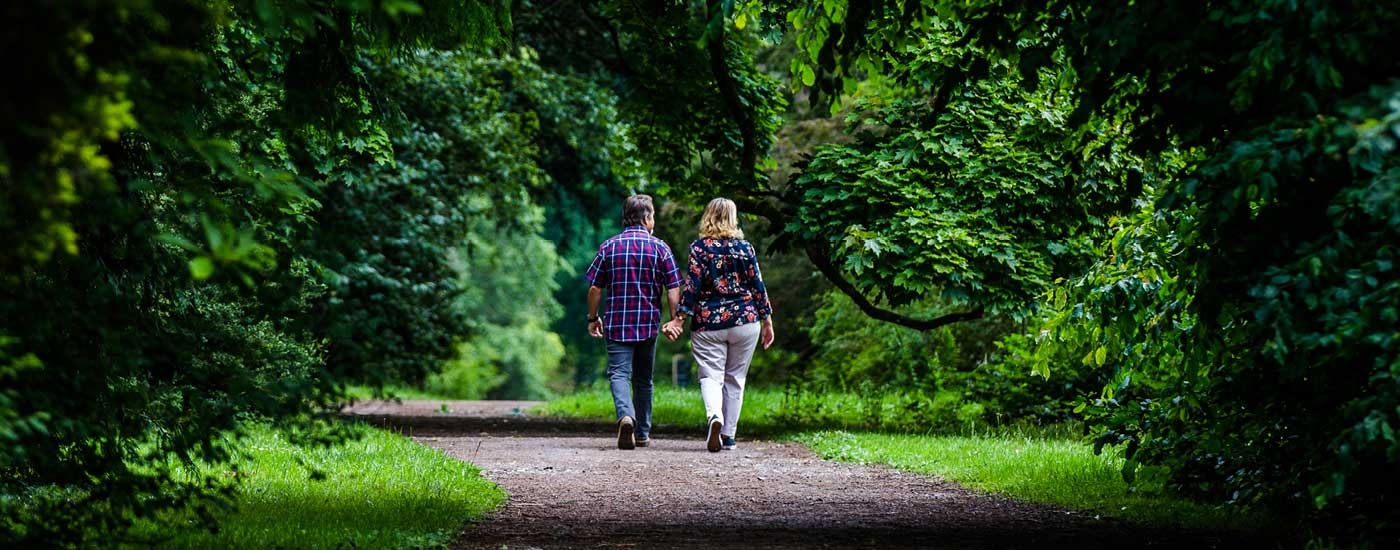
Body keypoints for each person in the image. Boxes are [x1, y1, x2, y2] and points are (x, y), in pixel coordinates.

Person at [662, 198, 774, 452]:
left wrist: (679, 318)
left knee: (711, 376)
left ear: (708, 216)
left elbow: (692, 286)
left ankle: (714, 416)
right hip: (745, 320)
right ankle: (729, 435)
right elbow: (758, 286)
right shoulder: (745, 249)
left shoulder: (700, 249)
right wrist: (767, 321)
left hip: (708, 322)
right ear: (733, 218)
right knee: (736, 378)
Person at [585, 194, 682, 450]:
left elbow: (595, 287)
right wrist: (675, 320)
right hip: (647, 324)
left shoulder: (609, 247)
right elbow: (673, 288)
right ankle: (642, 433)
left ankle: (625, 416)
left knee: (619, 373)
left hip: (617, 324)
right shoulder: (660, 248)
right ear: (647, 218)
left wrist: (593, 318)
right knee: (643, 379)